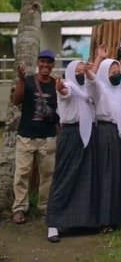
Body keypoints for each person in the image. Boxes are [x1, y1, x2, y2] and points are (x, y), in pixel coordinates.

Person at [46, 60, 96, 243]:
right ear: (70, 72)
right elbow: (65, 93)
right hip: (70, 134)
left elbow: (92, 83)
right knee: (64, 176)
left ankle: (78, 221)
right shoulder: (68, 85)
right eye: (78, 70)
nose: (81, 73)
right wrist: (59, 89)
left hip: (87, 134)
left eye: (83, 70)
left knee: (84, 177)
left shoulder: (85, 91)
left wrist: (96, 61)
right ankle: (53, 224)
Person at [12, 50, 59, 224]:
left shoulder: (55, 84)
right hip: (26, 136)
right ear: (38, 63)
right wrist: (22, 80)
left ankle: (44, 207)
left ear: (53, 64)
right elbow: (16, 101)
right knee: (22, 174)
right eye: (43, 61)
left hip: (48, 137)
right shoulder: (29, 81)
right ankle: (19, 208)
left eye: (49, 62)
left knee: (48, 174)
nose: (46, 65)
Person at [85, 58, 121, 232]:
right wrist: (90, 70)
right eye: (112, 72)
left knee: (120, 176)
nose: (116, 74)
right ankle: (105, 220)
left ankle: (120, 217)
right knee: (106, 176)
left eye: (118, 71)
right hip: (105, 134)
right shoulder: (101, 90)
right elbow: (93, 82)